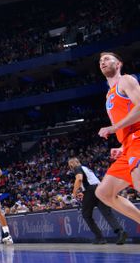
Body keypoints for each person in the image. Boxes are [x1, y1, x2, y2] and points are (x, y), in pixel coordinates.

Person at [94, 52, 140, 228]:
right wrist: (122, 146)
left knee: (138, 181)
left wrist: (113, 128)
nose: (102, 62)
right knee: (104, 192)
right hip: (128, 143)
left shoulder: (126, 80)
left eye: (107, 59)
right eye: (100, 61)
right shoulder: (108, 95)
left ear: (119, 64)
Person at [68, 156, 126, 244]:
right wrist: (83, 192)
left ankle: (100, 237)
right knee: (107, 213)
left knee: (86, 215)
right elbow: (91, 181)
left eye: (70, 165)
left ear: (72, 164)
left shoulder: (77, 168)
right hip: (100, 189)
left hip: (91, 191)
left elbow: (79, 179)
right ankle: (120, 232)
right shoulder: (86, 168)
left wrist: (74, 192)